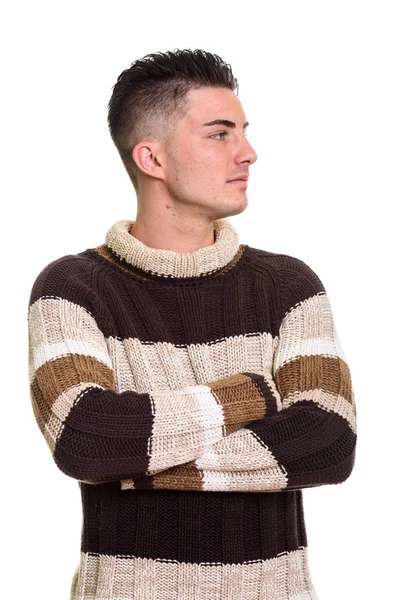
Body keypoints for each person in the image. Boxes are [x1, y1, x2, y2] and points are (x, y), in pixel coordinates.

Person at [27, 48, 357, 600]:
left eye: (244, 132)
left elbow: (329, 442)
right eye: (220, 134)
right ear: (152, 159)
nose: (249, 153)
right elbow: (85, 439)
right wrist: (253, 395)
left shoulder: (289, 286)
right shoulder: (71, 289)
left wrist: (135, 462)